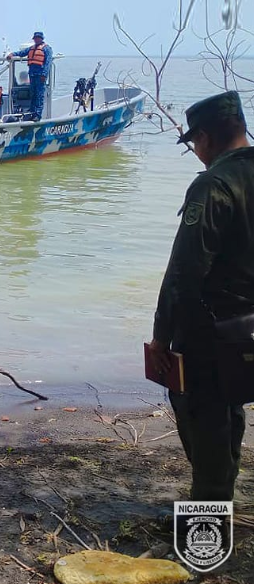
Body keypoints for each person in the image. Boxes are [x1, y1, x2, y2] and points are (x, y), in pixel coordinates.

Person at [149, 91, 254, 506]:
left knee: (202, 414)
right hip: (248, 327)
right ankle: (222, 496)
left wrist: (161, 338)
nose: (196, 151)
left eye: (195, 142)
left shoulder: (213, 186)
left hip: (210, 329)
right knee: (231, 407)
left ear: (206, 138)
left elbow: (184, 272)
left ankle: (209, 521)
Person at [7, 31, 52, 121]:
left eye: (38, 38)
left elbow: (48, 62)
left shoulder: (47, 49)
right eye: (35, 38)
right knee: (33, 94)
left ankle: (37, 115)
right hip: (32, 75)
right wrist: (12, 54)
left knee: (39, 95)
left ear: (41, 39)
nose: (36, 39)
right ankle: (32, 112)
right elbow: (22, 52)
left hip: (40, 75)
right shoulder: (31, 48)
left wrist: (44, 74)